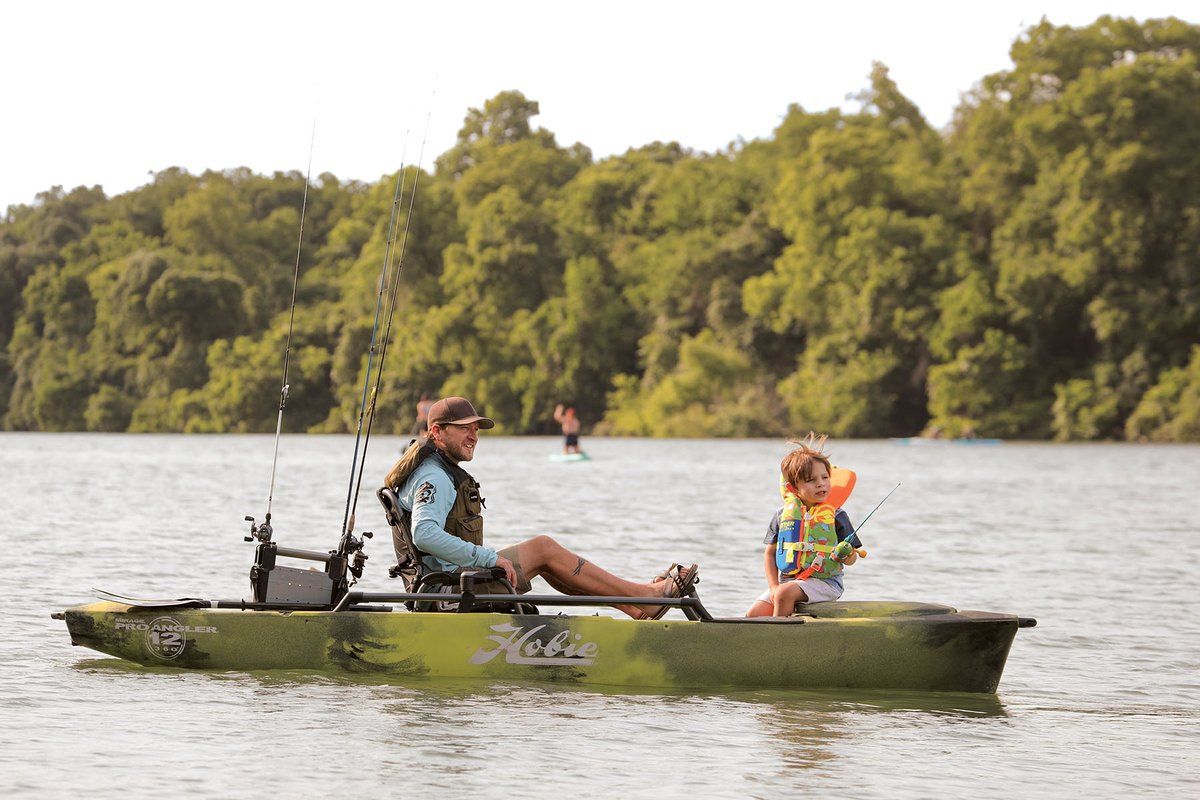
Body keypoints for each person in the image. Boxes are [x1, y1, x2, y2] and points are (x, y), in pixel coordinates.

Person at [384, 396, 698, 619]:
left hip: (455, 580)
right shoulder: (434, 477)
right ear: (437, 432)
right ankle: (645, 597)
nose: (473, 436)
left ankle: (634, 604)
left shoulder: (438, 469)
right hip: (447, 592)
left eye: (476, 429)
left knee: (545, 555)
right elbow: (424, 534)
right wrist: (488, 558)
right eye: (464, 428)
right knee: (543, 549)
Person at [745, 433, 859, 617]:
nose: (821, 484)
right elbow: (770, 553)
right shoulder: (782, 515)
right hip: (788, 581)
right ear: (793, 488)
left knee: (784, 593)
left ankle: (779, 639)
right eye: (811, 480)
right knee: (754, 613)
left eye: (825, 477)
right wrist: (773, 586)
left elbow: (852, 559)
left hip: (826, 583)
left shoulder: (837, 516)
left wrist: (846, 555)